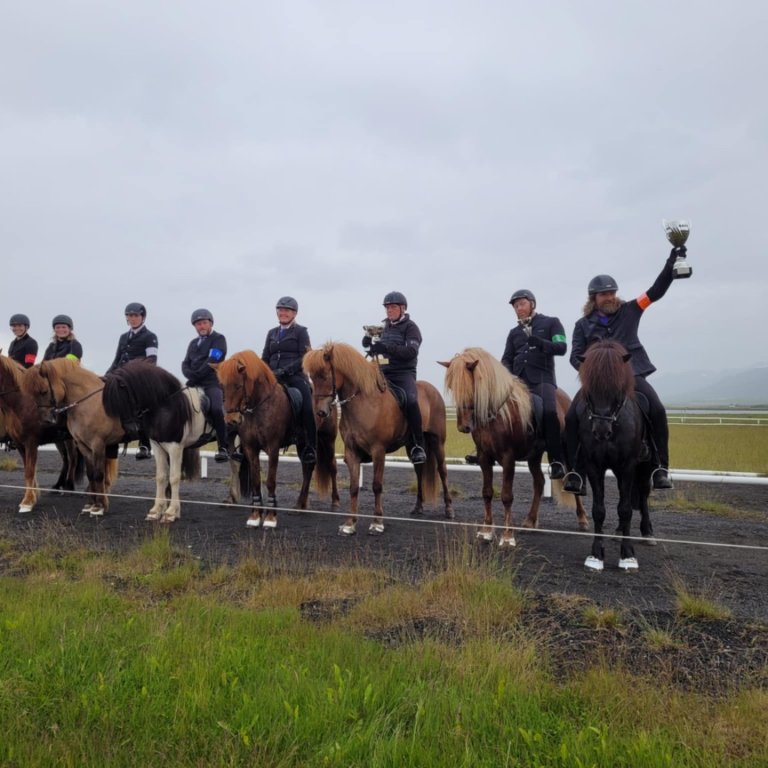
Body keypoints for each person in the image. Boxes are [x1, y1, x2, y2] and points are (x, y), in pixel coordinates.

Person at [563, 246, 684, 494]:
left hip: (632, 376)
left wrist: (672, 264)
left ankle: (660, 467)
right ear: (593, 298)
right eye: (603, 294)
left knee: (658, 409)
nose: (609, 297)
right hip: (597, 385)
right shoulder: (582, 325)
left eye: (612, 292)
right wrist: (590, 374)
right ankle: (576, 472)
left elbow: (656, 291)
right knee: (571, 417)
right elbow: (575, 357)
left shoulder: (632, 309)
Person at [500, 289, 567, 479]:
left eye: (521, 304)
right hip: (518, 382)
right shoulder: (514, 333)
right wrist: (507, 375)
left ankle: (555, 460)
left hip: (542, 379)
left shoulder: (551, 323)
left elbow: (562, 348)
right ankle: (486, 449)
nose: (518, 308)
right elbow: (507, 358)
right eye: (515, 306)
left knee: (548, 411)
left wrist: (541, 343)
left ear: (532, 304)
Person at [362, 291, 426, 464]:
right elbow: (376, 346)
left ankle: (417, 445)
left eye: (392, 307)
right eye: (387, 307)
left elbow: (411, 351)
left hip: (403, 373)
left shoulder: (411, 327)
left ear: (402, 308)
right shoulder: (383, 327)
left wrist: (386, 348)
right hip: (381, 372)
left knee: (411, 400)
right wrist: (368, 343)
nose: (389, 310)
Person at [261, 296, 317, 464]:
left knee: (307, 405)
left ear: (294, 313)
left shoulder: (301, 331)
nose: (283, 313)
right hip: (272, 378)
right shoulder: (271, 333)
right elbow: (265, 357)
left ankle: (310, 446)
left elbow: (305, 356)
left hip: (295, 377)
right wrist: (264, 371)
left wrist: (285, 371)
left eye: (286, 310)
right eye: (280, 310)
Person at [106, 302, 159, 460]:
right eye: (129, 316)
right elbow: (117, 359)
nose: (132, 319)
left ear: (142, 317)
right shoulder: (123, 337)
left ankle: (144, 444)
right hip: (119, 376)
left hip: (139, 378)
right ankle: (111, 439)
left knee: (140, 406)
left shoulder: (150, 337)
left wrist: (132, 374)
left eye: (135, 316)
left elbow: (151, 361)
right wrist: (106, 376)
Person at [181, 308, 229, 463]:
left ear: (210, 324)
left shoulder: (219, 339)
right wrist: (189, 374)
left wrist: (196, 375)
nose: (201, 326)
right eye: (198, 324)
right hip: (193, 383)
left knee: (216, 408)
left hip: (211, 383)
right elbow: (185, 363)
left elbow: (212, 361)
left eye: (204, 323)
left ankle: (223, 447)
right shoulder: (193, 343)